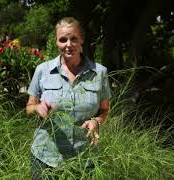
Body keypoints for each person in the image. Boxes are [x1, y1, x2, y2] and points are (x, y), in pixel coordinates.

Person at [26, 17, 111, 179]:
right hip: (45, 158)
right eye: (63, 40)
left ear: (82, 40)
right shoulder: (42, 71)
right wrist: (37, 108)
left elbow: (105, 110)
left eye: (74, 39)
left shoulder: (100, 73)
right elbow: (29, 108)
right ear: (57, 42)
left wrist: (96, 121)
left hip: (84, 160)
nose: (68, 45)